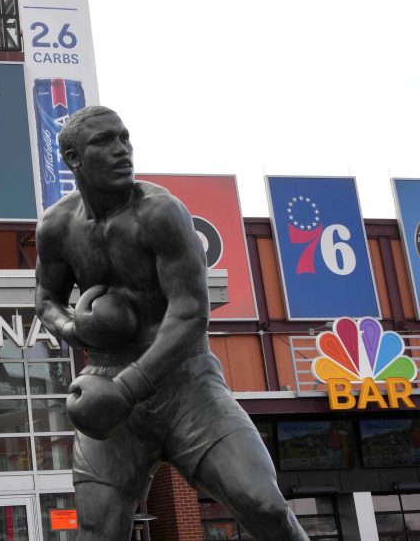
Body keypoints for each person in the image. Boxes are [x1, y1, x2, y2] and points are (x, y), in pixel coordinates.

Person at [34, 106, 308, 540]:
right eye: (104, 142)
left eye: (124, 138)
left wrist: (125, 389)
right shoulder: (57, 225)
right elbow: (46, 299)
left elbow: (190, 314)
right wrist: (75, 330)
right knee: (96, 531)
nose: (122, 150)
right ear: (73, 159)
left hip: (185, 382)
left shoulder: (161, 212)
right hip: (107, 377)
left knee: (265, 506)